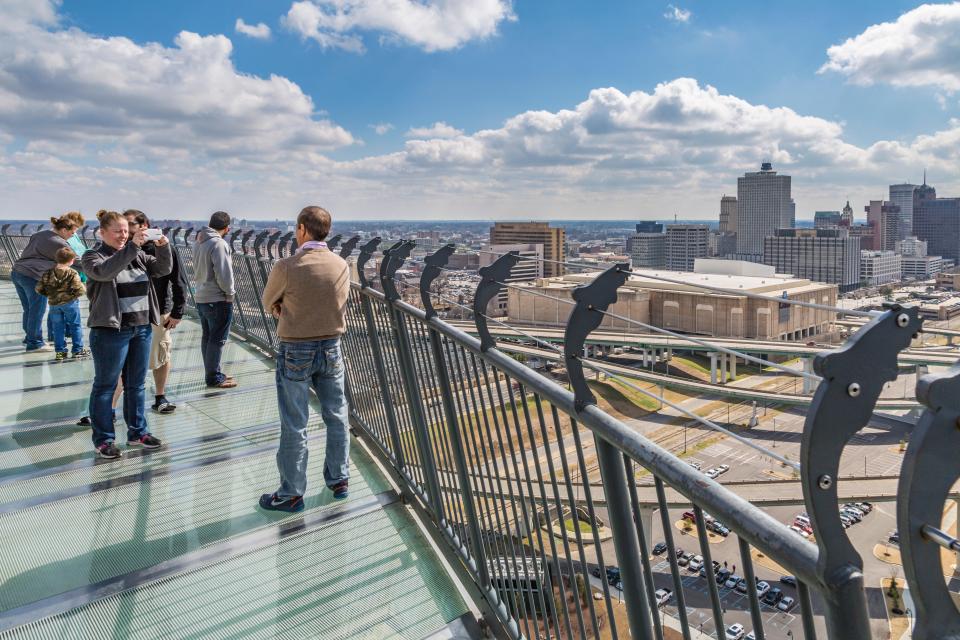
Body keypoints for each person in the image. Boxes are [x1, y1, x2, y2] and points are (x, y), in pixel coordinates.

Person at [258, 206, 351, 512]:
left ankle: (291, 493)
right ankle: (339, 479)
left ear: (301, 229)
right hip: (332, 347)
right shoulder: (341, 265)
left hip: (296, 347)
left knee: (295, 423)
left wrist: (281, 309)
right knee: (336, 415)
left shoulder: (287, 266)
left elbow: (268, 299)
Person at [82, 210, 172, 459]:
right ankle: (104, 440)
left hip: (141, 328)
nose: (123, 235)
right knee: (105, 386)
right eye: (118, 231)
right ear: (102, 233)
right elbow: (105, 272)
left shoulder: (138, 255)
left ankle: (137, 433)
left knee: (136, 385)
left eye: (126, 231)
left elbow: (163, 269)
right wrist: (131, 247)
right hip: (111, 331)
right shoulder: (93, 256)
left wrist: (163, 246)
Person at [123, 210, 188, 414]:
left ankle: (160, 396)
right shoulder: (122, 248)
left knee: (161, 353)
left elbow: (179, 282)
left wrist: (177, 312)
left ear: (144, 225)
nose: (126, 230)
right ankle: (119, 400)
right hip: (128, 311)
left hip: (159, 310)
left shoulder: (163, 248)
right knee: (124, 358)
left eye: (130, 225)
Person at [11, 214, 81, 351]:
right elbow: (75, 261)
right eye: (72, 233)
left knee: (29, 309)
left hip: (18, 272)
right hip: (34, 276)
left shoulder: (39, 234)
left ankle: (29, 337)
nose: (72, 236)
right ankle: (35, 343)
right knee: (37, 310)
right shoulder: (59, 242)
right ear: (63, 230)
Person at [194, 211, 236, 388]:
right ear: (227, 228)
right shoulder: (218, 244)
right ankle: (213, 377)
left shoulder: (199, 240)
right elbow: (224, 273)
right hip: (217, 298)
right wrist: (230, 294)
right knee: (217, 339)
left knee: (208, 338)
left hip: (201, 296)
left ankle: (213, 372)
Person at [35, 247, 88, 360]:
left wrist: (51, 295)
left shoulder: (48, 273)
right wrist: (72, 296)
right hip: (70, 304)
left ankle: (60, 352)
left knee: (58, 328)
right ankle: (77, 350)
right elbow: (81, 290)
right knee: (75, 325)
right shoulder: (72, 273)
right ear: (71, 260)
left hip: (54, 304)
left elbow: (39, 289)